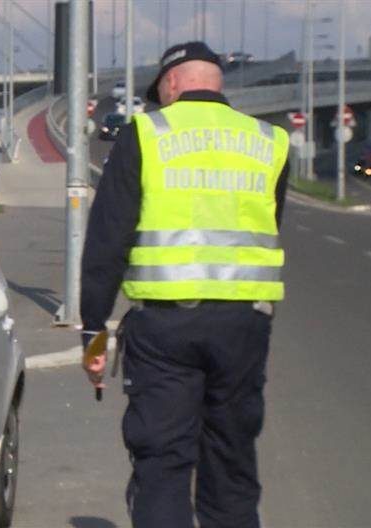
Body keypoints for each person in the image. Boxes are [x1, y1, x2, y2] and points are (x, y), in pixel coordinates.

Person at [80, 42, 290, 528]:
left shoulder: (146, 135)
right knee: (232, 462)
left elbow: (107, 241)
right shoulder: (270, 140)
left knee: (162, 462)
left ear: (172, 82)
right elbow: (268, 225)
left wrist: (93, 332)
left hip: (165, 327)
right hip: (244, 324)